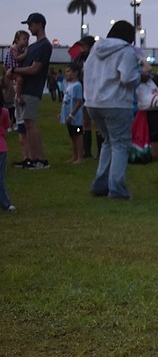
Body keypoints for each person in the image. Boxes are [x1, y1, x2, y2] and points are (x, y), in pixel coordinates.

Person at [84, 20, 142, 200]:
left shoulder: (95, 48)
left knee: (108, 141)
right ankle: (116, 189)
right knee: (120, 145)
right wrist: (140, 76)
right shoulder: (126, 51)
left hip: (93, 102)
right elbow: (127, 78)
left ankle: (100, 185)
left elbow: (86, 70)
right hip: (116, 103)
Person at [9, 13, 52, 170]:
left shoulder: (45, 46)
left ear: (39, 24)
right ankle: (30, 158)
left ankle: (40, 159)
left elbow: (35, 69)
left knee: (30, 123)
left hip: (32, 89)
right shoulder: (33, 47)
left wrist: (15, 69)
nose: (29, 27)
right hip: (24, 88)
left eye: (31, 24)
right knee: (25, 125)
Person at [59, 62, 84, 164]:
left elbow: (79, 102)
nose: (67, 74)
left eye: (69, 71)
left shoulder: (77, 85)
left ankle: (80, 158)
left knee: (78, 136)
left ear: (75, 73)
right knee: (73, 137)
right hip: (69, 117)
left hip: (76, 118)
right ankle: (74, 156)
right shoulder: (69, 85)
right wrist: (62, 113)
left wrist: (72, 114)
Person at [0, 90, 14, 211]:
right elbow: (7, 125)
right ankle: (4, 202)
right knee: (1, 176)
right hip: (1, 146)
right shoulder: (4, 112)